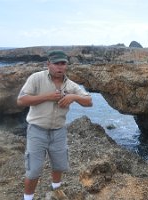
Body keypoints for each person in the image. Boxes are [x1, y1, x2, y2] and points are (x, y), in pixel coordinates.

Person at [17, 50, 93, 200]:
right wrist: (48, 97)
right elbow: (21, 100)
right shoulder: (36, 78)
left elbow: (89, 101)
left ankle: (56, 189)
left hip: (59, 131)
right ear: (48, 64)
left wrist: (73, 97)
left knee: (59, 165)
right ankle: (27, 198)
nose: (60, 67)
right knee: (34, 170)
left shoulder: (70, 85)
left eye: (63, 63)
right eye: (56, 63)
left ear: (66, 65)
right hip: (37, 130)